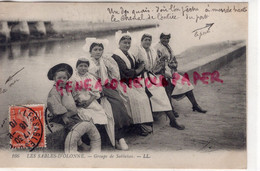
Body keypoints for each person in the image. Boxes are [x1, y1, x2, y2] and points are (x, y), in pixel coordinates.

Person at [82, 38, 132, 150]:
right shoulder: (86, 63)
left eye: (100, 49)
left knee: (118, 103)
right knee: (106, 109)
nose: (98, 52)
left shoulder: (105, 61)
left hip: (105, 87)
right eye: (95, 49)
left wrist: (109, 80)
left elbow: (115, 75)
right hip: (91, 90)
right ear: (90, 51)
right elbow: (83, 79)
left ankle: (120, 137)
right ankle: (116, 138)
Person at [133, 33, 185, 130]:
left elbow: (154, 67)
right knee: (159, 92)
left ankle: (172, 120)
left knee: (162, 92)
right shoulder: (138, 51)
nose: (147, 42)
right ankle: (172, 120)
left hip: (150, 76)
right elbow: (133, 65)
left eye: (149, 40)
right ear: (141, 41)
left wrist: (161, 61)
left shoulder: (152, 51)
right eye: (145, 40)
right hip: (140, 78)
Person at [47, 63, 101, 153]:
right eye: (59, 78)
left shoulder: (67, 87)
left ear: (67, 78)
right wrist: (63, 115)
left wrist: (77, 101)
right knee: (72, 127)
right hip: (62, 116)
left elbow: (71, 98)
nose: (62, 80)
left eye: (64, 78)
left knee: (81, 123)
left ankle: (83, 142)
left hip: (72, 113)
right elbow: (54, 104)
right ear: (54, 79)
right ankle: (80, 145)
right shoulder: (55, 91)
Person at [111, 31, 154, 136]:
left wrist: (140, 65)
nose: (127, 45)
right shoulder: (116, 56)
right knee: (137, 99)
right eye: (124, 43)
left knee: (144, 96)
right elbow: (126, 73)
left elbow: (136, 64)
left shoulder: (129, 54)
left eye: (128, 43)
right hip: (122, 83)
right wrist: (139, 69)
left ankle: (142, 124)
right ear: (119, 43)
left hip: (131, 82)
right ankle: (137, 126)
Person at [154, 32, 207, 113]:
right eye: (164, 38)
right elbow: (156, 63)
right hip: (160, 73)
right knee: (168, 85)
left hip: (170, 71)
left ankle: (195, 105)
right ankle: (170, 109)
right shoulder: (157, 48)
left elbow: (173, 60)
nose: (165, 40)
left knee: (186, 83)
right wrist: (166, 68)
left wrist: (173, 66)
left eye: (167, 38)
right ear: (160, 38)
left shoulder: (168, 47)